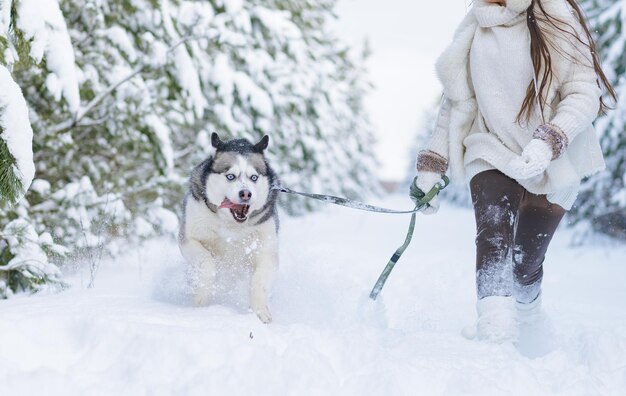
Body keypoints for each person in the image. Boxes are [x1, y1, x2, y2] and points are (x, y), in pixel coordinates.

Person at [413, 0, 616, 343]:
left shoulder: (557, 17)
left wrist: (548, 142)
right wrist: (433, 164)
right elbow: (455, 99)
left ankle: (530, 328)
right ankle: (495, 334)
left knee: (525, 266)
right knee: (492, 234)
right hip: (489, 146)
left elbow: (584, 94)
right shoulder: (476, 24)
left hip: (555, 159)